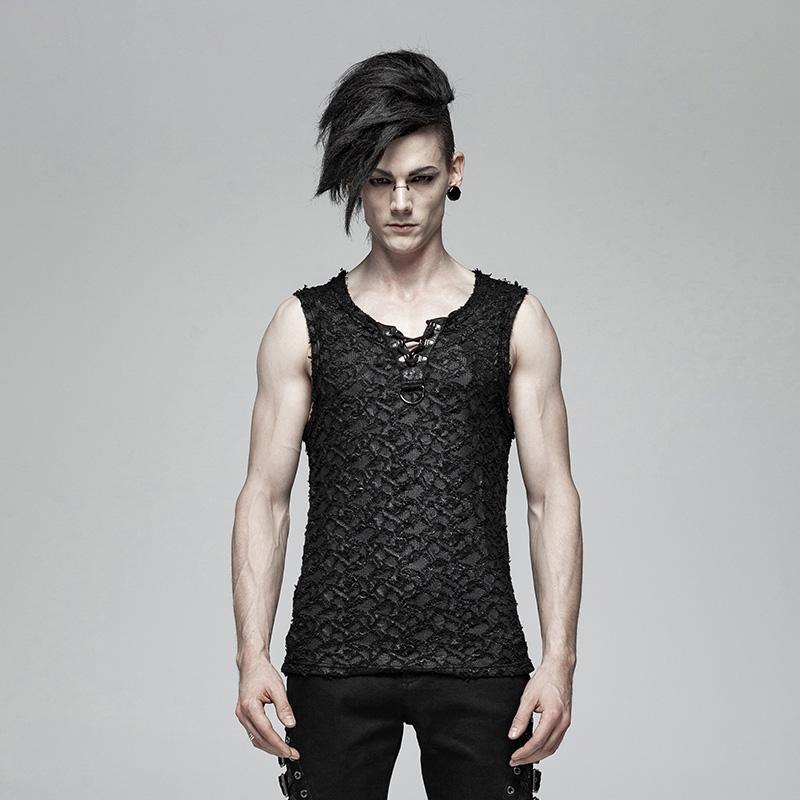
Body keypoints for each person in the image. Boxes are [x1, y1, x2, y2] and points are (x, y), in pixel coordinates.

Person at [231, 49, 582, 800]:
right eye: (380, 180)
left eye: (420, 179)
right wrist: (251, 655)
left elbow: (550, 496)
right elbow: (265, 496)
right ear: (357, 181)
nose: (400, 203)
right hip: (334, 655)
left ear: (455, 171)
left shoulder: (515, 320)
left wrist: (560, 661)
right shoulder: (303, 323)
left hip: (480, 653)